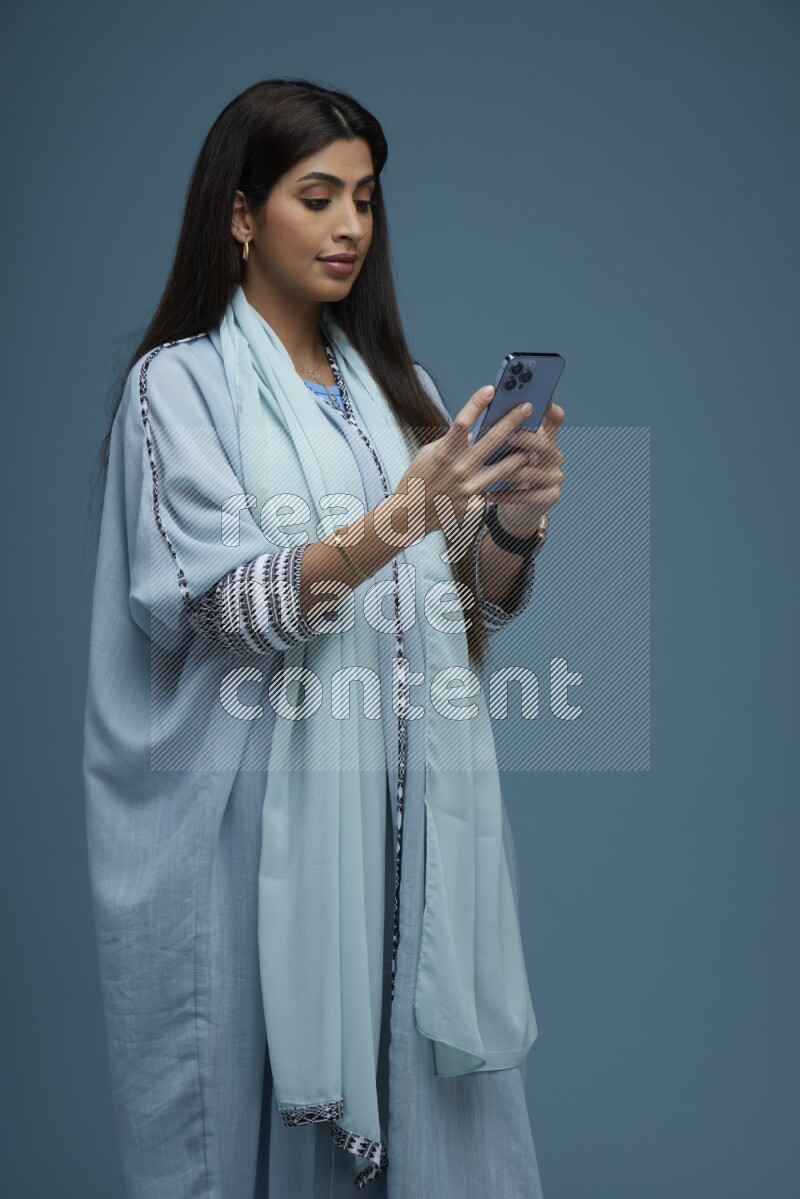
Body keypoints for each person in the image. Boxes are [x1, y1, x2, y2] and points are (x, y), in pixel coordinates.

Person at [83, 77, 565, 1199]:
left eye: (365, 198)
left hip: (409, 826)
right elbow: (228, 605)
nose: (351, 224)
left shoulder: (398, 390)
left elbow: (465, 610)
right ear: (241, 214)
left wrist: (515, 521)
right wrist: (403, 513)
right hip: (254, 838)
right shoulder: (181, 386)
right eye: (317, 196)